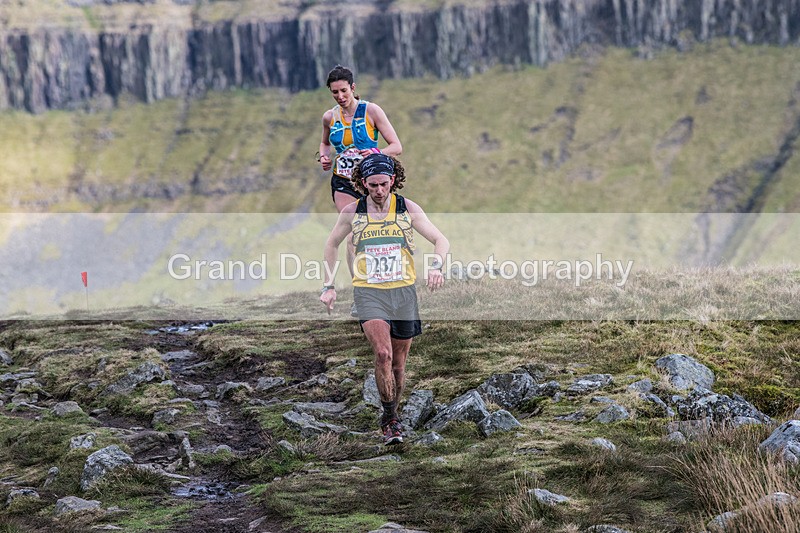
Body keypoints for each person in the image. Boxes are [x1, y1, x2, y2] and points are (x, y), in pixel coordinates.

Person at [320, 154, 449, 445]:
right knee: (383, 354)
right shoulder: (353, 211)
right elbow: (331, 244)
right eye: (373, 185)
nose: (379, 190)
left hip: (403, 292)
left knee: (399, 364)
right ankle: (390, 421)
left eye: (384, 183)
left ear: (393, 180)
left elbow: (441, 240)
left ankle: (392, 412)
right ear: (363, 183)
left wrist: (436, 266)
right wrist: (328, 285)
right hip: (369, 291)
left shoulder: (407, 208)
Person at [318, 65, 403, 317]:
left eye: (344, 91)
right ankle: (361, 294)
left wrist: (376, 152)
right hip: (343, 181)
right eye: (335, 92)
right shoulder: (329, 117)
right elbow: (324, 143)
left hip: (371, 181)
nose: (340, 96)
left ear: (353, 88)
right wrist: (323, 157)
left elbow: (396, 146)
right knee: (354, 230)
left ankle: (384, 288)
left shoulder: (371, 111)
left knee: (374, 233)